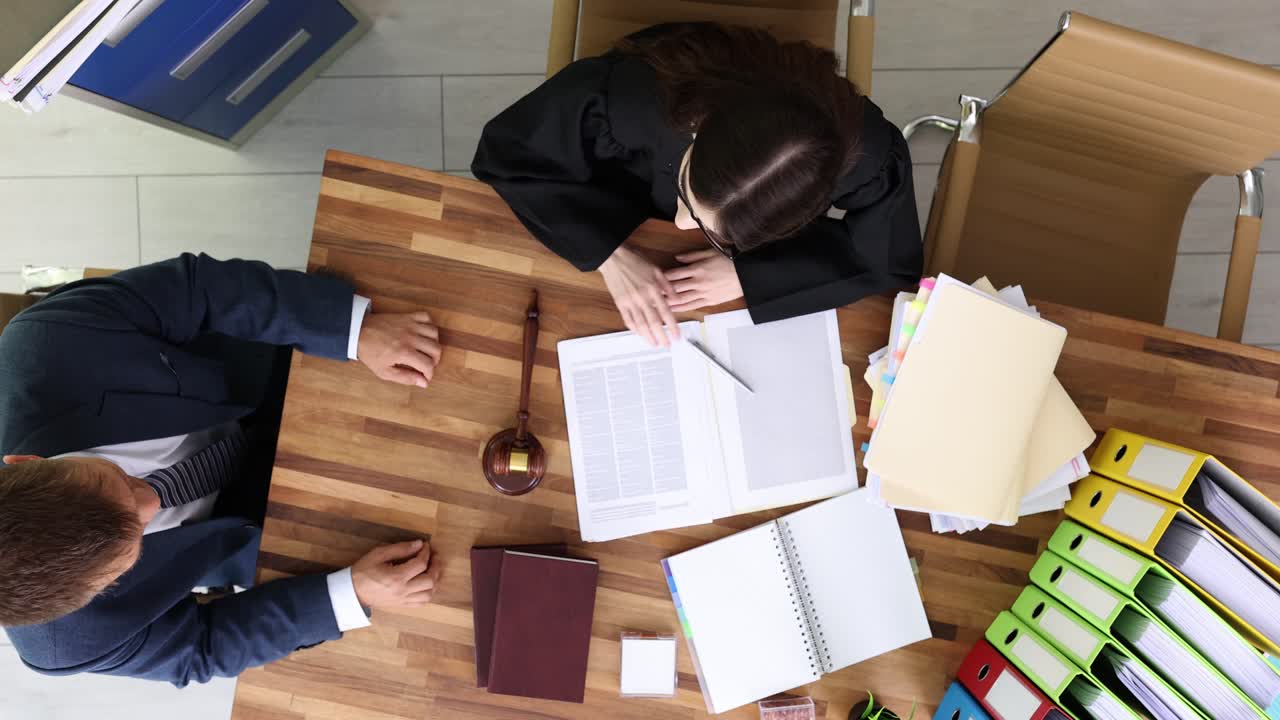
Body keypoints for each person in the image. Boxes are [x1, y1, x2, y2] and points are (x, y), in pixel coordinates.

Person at [0, 253, 445, 686]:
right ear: (98, 590)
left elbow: (201, 290)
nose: (152, 500)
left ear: (23, 462)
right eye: (133, 543)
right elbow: (204, 647)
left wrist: (352, 329)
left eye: (117, 480)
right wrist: (353, 594)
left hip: (265, 373)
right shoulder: (63, 643)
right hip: (249, 527)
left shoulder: (47, 343)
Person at [472, 22, 921, 347]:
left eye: (714, 234)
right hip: (646, 145)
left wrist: (749, 272)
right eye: (688, 195)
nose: (684, 224)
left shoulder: (873, 157)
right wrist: (610, 255)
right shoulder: (636, 98)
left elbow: (886, 261)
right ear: (700, 126)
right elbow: (511, 153)